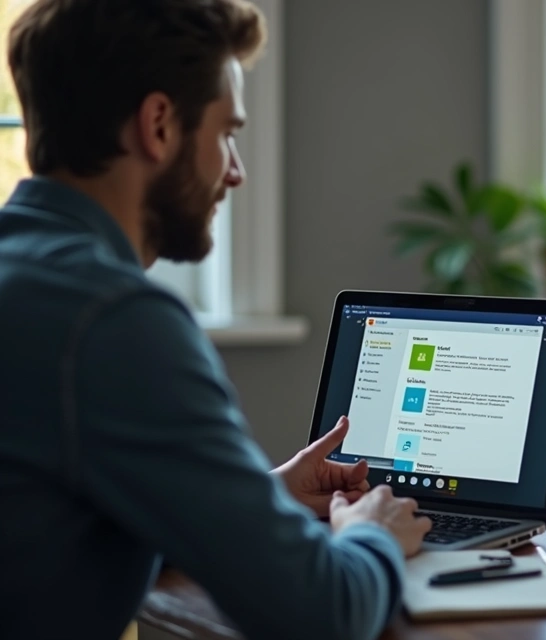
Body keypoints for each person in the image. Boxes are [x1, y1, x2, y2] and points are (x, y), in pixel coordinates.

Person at [0, 1, 431, 638]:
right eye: (227, 133)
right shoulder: (115, 321)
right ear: (159, 125)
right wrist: (374, 537)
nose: (235, 171)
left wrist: (258, 500)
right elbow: (321, 614)